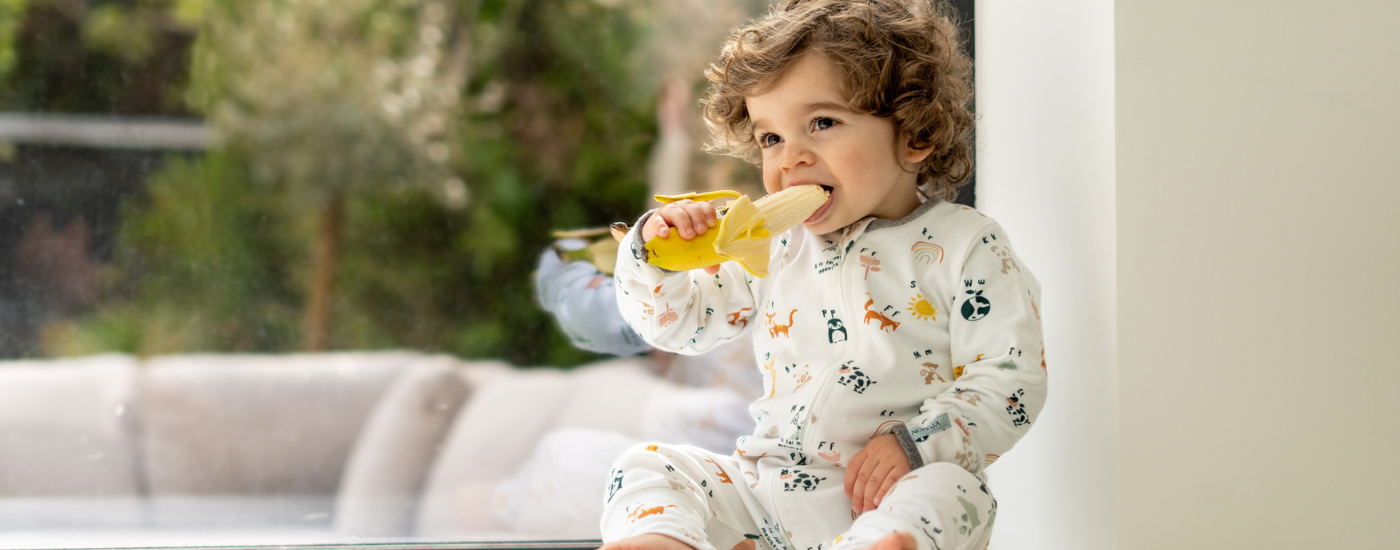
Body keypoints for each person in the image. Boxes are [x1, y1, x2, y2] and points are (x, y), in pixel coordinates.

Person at [601, 2, 1046, 550]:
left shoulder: (966, 245)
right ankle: (659, 543)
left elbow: (1010, 382)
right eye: (771, 139)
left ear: (915, 133)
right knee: (648, 464)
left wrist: (917, 446)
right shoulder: (771, 245)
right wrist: (657, 257)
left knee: (956, 493)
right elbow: (680, 326)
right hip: (767, 493)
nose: (790, 160)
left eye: (823, 123)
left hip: (888, 492)